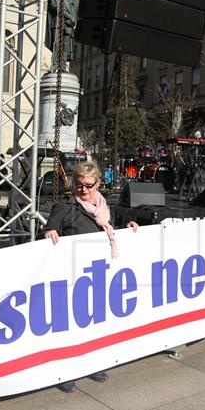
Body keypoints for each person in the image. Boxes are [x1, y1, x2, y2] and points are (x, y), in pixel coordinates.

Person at [42, 162, 138, 392]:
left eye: (88, 185)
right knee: (69, 327)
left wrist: (129, 227)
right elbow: (45, 233)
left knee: (93, 324)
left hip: (97, 275)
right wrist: (49, 232)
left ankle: (92, 364)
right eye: (79, 185)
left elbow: (111, 229)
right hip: (70, 278)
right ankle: (65, 372)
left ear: (98, 183)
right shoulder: (65, 206)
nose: (82, 190)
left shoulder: (105, 207)